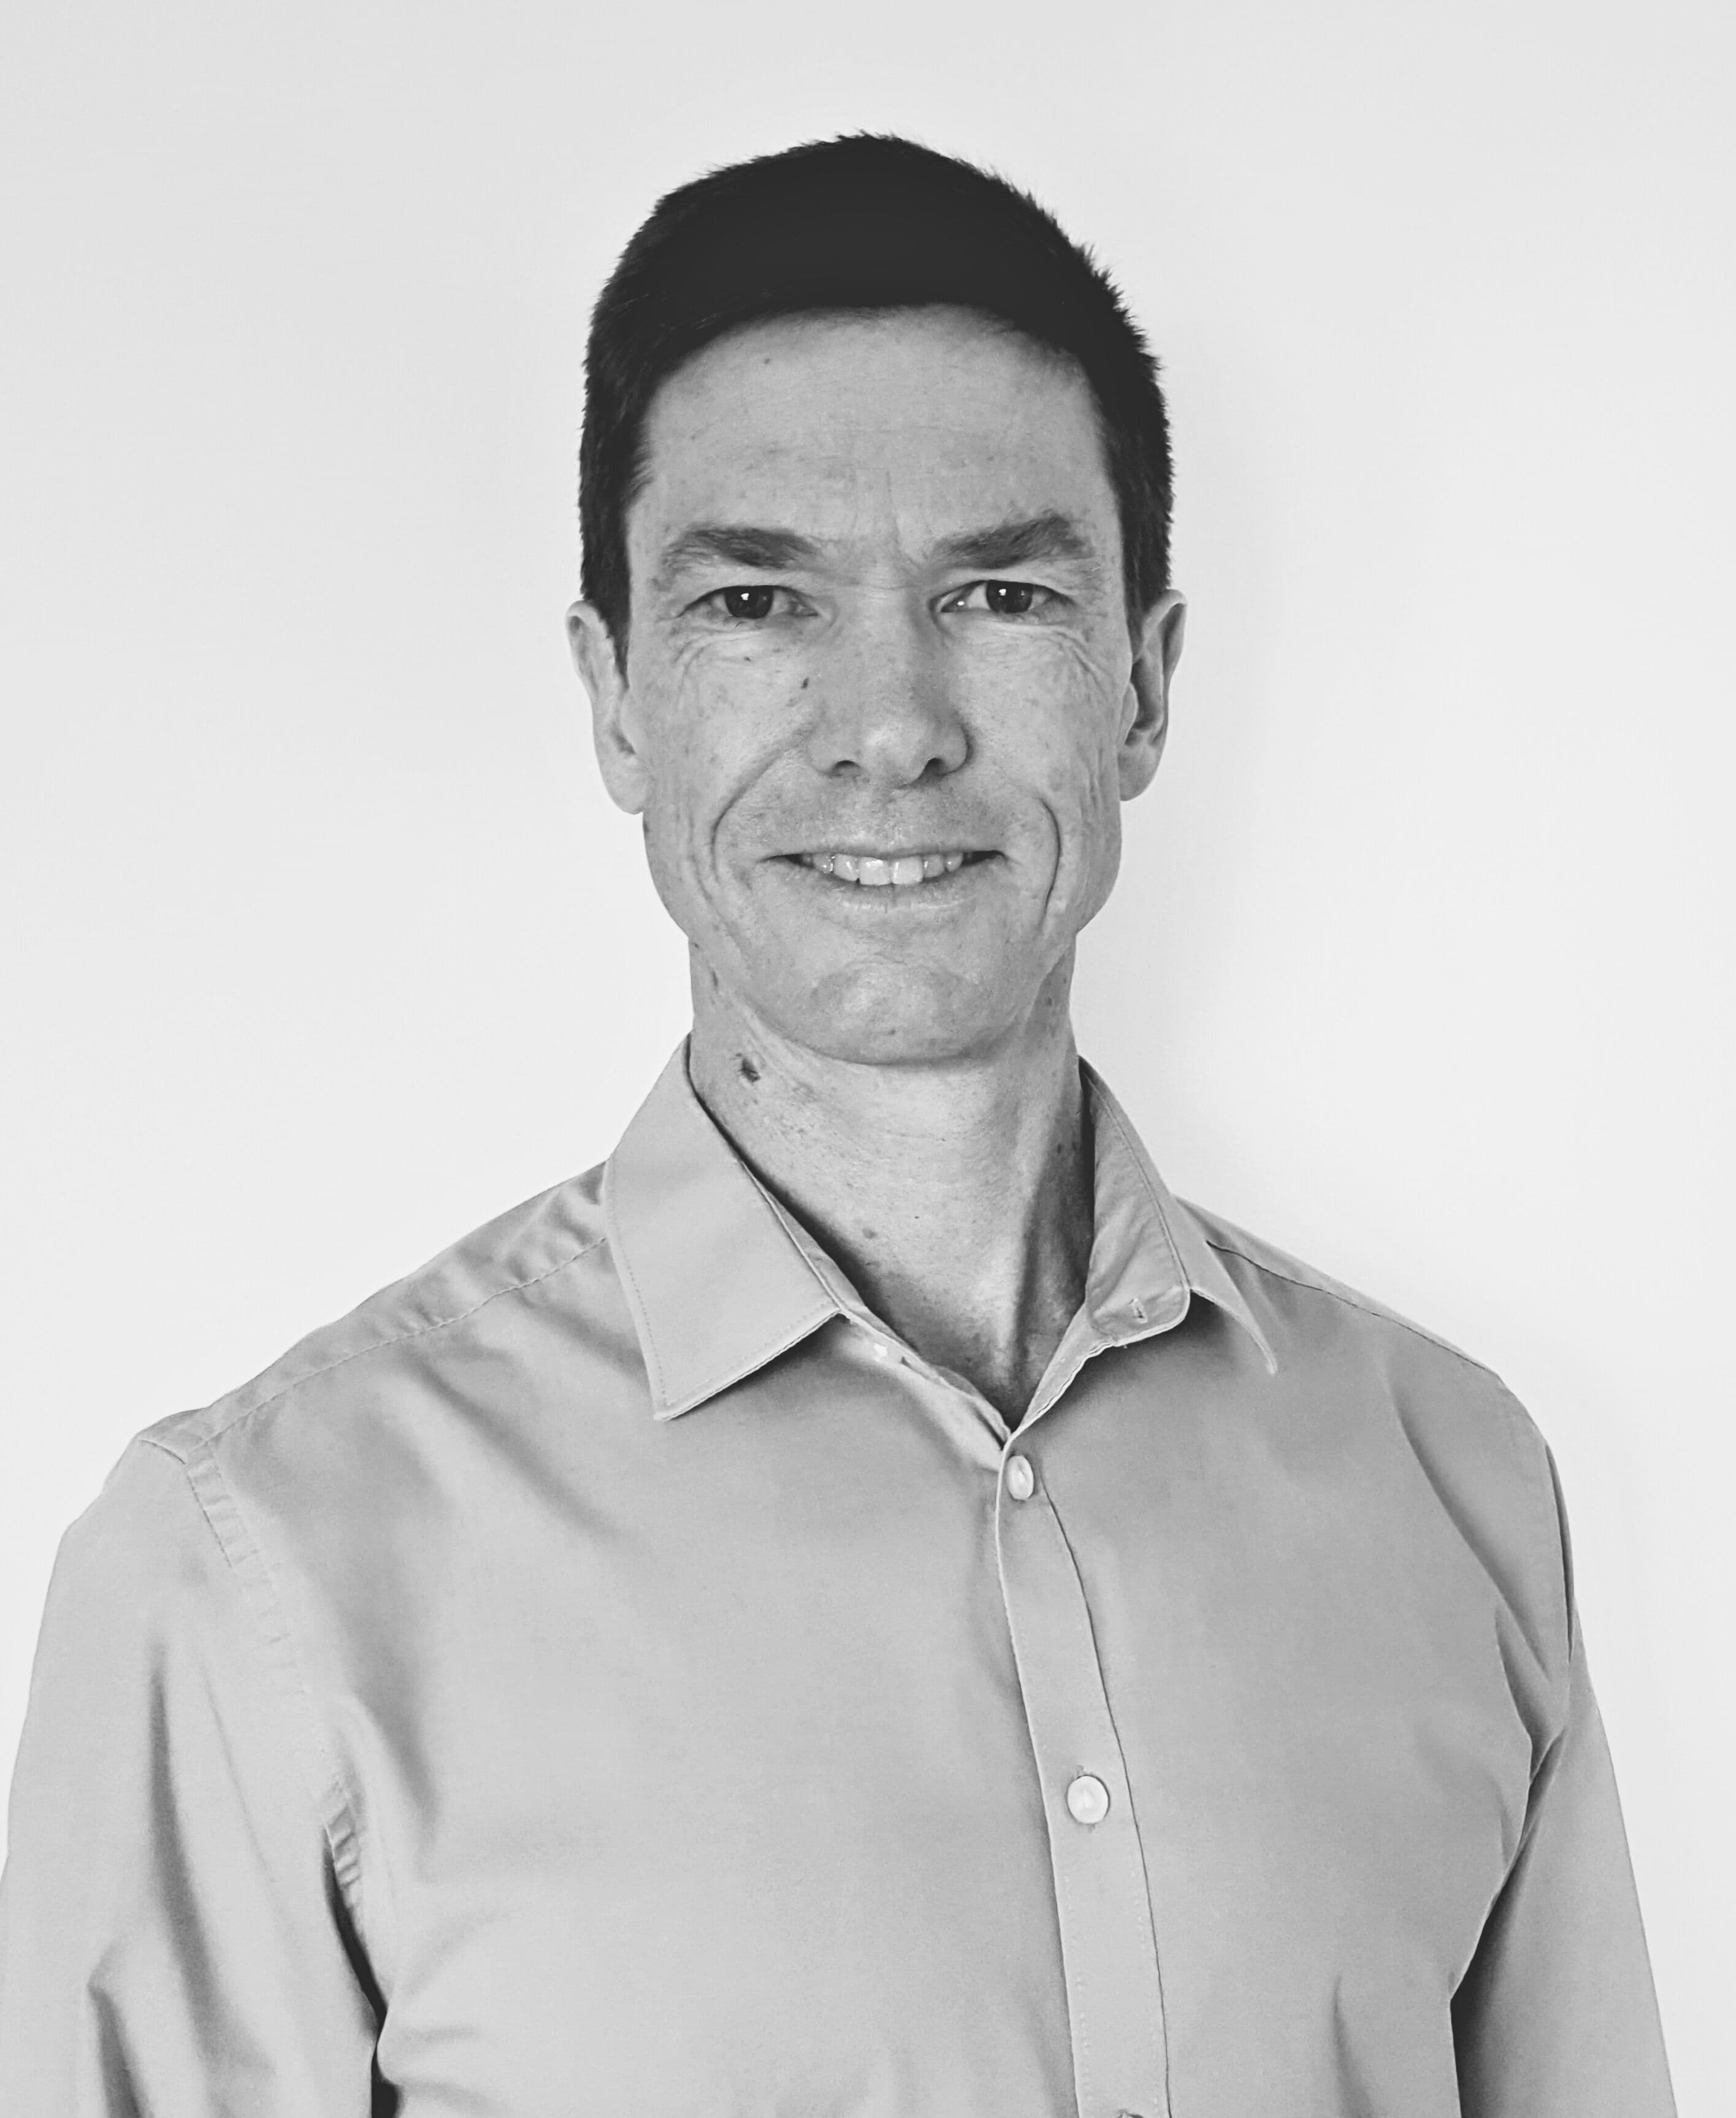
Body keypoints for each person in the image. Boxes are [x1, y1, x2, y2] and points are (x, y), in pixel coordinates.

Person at [0, 134, 1675, 2118]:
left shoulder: (1454, 1482)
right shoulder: (257, 1569)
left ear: (1139, 689)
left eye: (998, 590)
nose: (891, 724)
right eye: (758, 604)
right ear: (618, 700)